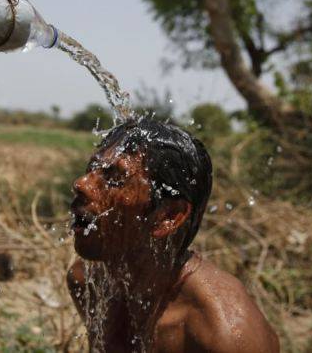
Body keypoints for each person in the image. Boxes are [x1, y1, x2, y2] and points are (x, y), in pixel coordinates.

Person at [67, 118, 279, 352]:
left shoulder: (228, 335)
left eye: (116, 178)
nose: (82, 184)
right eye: (92, 169)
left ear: (168, 216)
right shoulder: (88, 281)